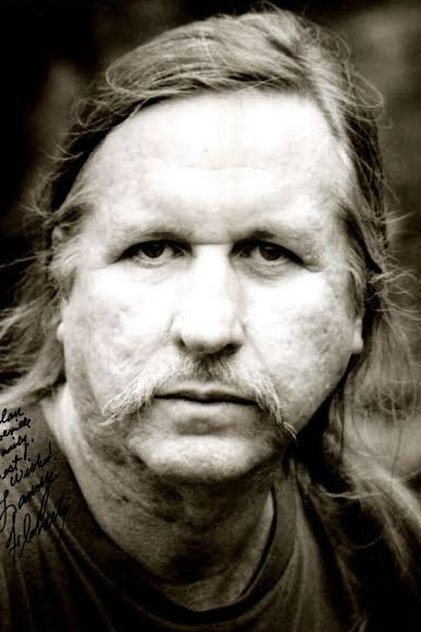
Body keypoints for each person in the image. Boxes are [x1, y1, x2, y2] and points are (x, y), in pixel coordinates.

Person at [0, 7, 420, 632]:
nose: (208, 328)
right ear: (64, 285)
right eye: (153, 249)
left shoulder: (381, 550)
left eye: (270, 253)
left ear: (357, 303)